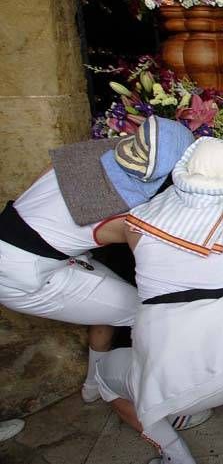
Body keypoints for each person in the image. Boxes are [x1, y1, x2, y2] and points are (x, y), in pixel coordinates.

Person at [94, 137, 223, 464]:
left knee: (104, 375)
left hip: (168, 392)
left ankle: (175, 454)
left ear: (182, 169)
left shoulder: (138, 224)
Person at [0, 116, 193, 403]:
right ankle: (141, 390)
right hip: (24, 275)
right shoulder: (121, 211)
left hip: (18, 243)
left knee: (110, 303)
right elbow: (158, 244)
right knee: (144, 312)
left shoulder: (85, 155)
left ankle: (93, 384)